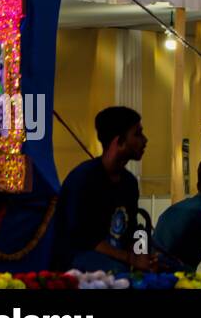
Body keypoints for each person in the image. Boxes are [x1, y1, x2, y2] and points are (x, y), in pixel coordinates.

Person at [52, 106, 154, 273]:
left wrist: (142, 253)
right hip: (79, 263)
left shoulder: (129, 183)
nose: (145, 140)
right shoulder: (83, 179)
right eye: (138, 134)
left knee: (173, 271)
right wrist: (130, 259)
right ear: (119, 142)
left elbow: (134, 230)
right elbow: (84, 239)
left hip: (117, 260)